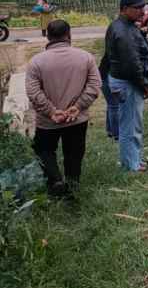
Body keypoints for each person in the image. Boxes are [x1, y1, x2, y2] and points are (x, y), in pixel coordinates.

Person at [25, 19, 101, 198]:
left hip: (47, 121)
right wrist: (78, 106)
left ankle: (55, 181)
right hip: (77, 118)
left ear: (48, 36)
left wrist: (51, 111)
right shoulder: (85, 57)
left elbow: (33, 92)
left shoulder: (36, 61)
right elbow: (94, 85)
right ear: (69, 35)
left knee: (44, 150)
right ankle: (73, 186)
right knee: (74, 152)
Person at [103, 0, 148, 172]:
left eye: (143, 7)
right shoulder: (123, 31)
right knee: (130, 126)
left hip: (122, 81)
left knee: (131, 123)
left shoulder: (121, 26)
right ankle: (131, 165)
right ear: (124, 9)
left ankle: (133, 160)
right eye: (137, 8)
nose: (143, 11)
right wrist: (144, 86)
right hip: (128, 82)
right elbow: (132, 64)